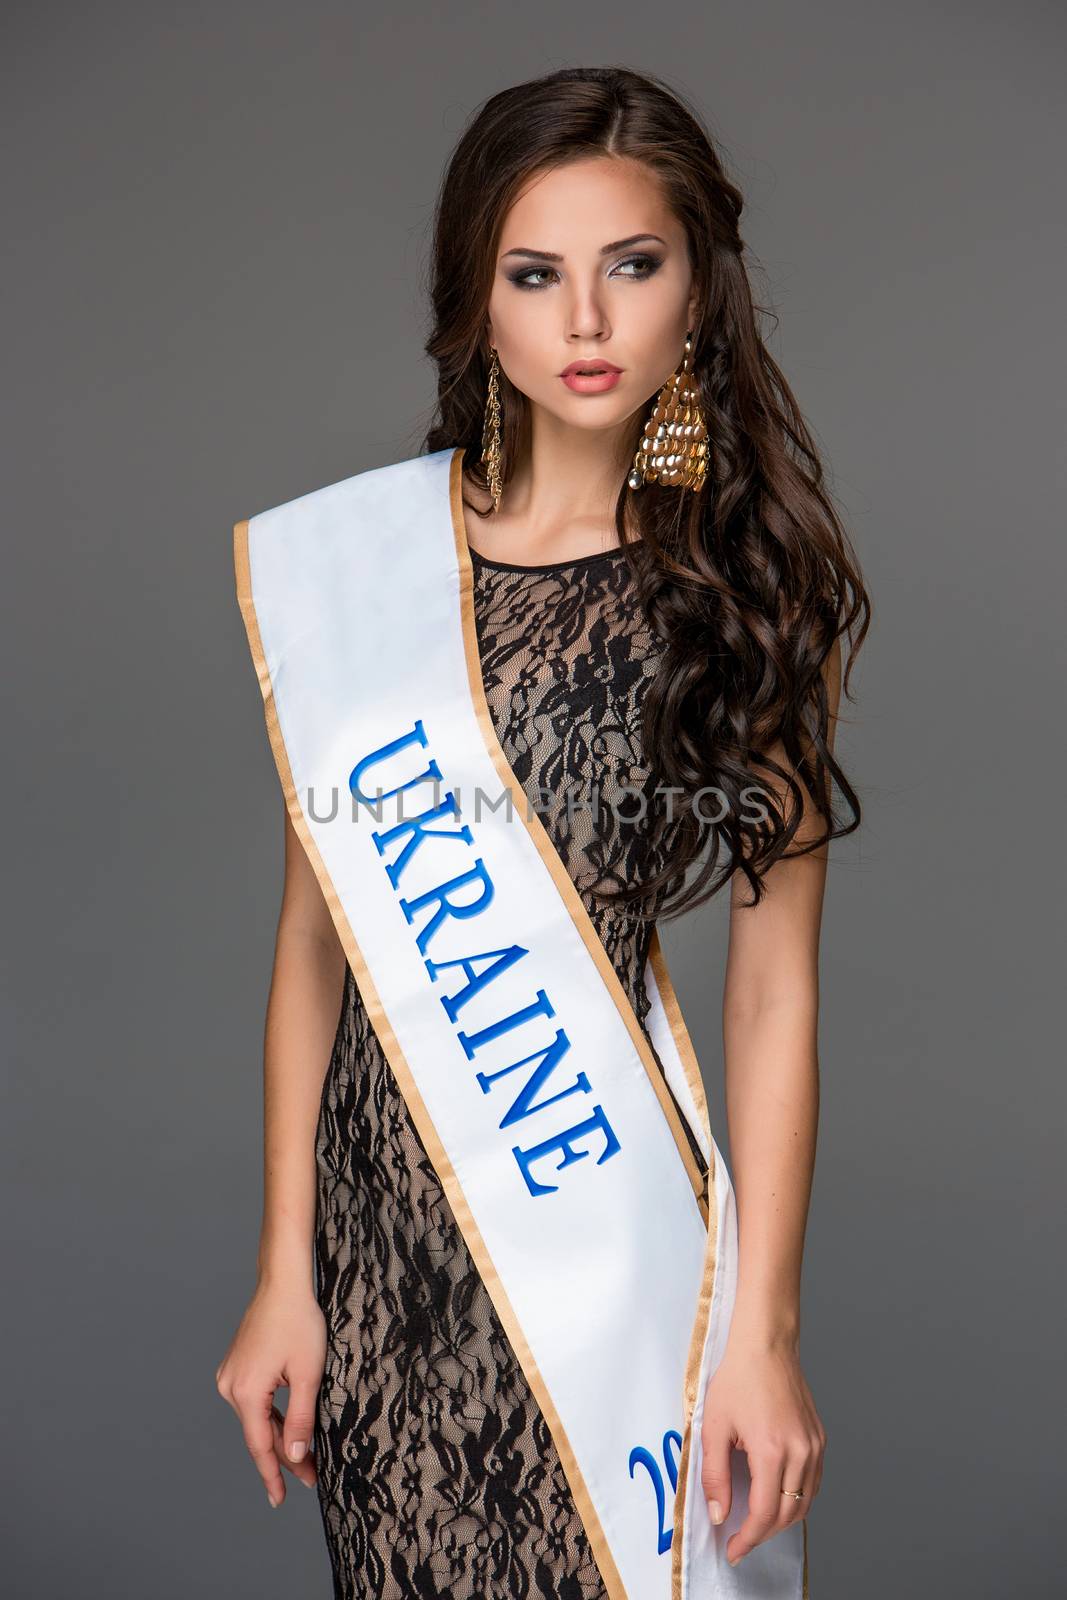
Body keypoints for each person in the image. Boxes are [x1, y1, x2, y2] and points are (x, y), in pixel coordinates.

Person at [216, 63, 869, 1600]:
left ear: (696, 290)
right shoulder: (371, 573)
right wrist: (282, 1275)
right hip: (384, 1274)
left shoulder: (741, 607)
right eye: (536, 275)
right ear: (477, 305)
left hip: (604, 1251)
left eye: (630, 267)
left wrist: (762, 1337)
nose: (586, 323)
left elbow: (775, 994)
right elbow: (319, 949)